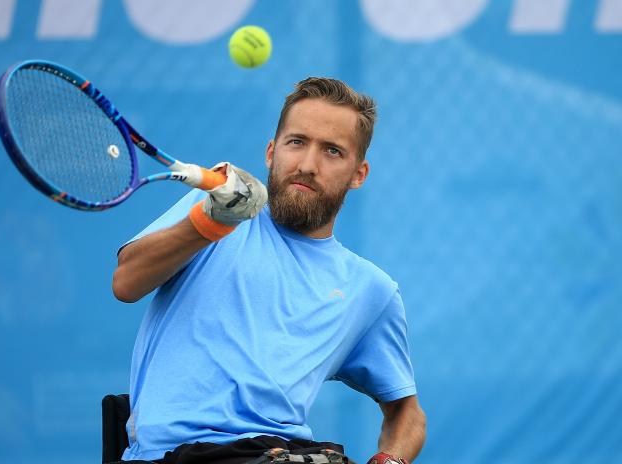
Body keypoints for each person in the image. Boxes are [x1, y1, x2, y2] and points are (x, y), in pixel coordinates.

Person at [112, 78, 426, 464]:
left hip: (277, 454)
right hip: (172, 456)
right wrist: (209, 222)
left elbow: (407, 413)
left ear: (358, 174)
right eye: (297, 142)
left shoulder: (371, 291)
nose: (308, 165)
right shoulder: (215, 209)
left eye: (332, 151)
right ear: (271, 152)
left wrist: (390, 461)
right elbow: (126, 282)